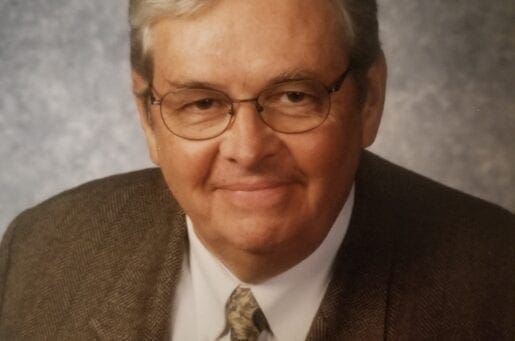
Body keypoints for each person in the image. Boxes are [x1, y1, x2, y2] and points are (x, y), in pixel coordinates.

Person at [0, 0, 513, 339]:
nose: (247, 150)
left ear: (370, 100)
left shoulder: (496, 285)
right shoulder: (39, 250)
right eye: (200, 103)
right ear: (147, 116)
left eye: (294, 96)